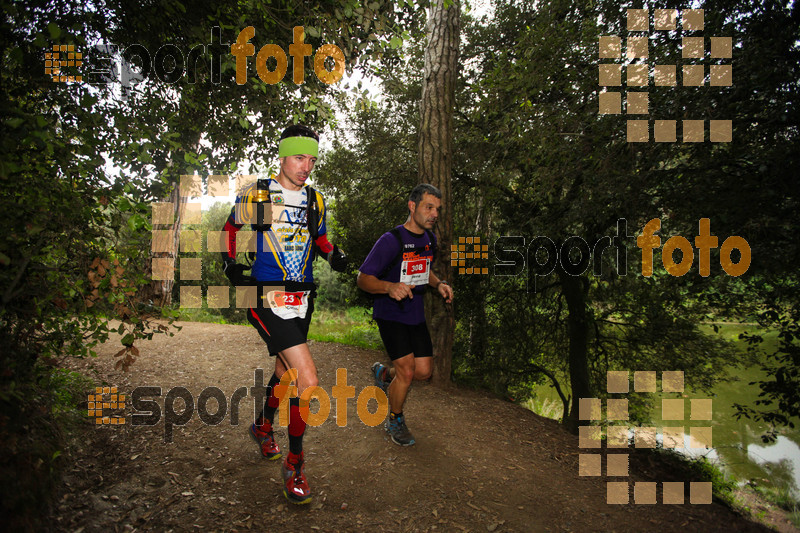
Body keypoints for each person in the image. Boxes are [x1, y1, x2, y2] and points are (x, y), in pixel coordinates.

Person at [220, 124, 347, 504]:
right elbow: (231, 227)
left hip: (300, 297)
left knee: (284, 371)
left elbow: (318, 236)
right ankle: (295, 464)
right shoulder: (259, 192)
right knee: (306, 379)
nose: (306, 166)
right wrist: (228, 261)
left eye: (311, 159)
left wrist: (331, 253)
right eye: (298, 157)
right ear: (282, 156)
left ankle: (261, 426)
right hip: (264, 294)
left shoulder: (314, 200)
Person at [356, 183, 454, 446]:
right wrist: (389, 287)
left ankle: (385, 375)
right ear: (412, 206)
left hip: (414, 313)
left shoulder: (429, 239)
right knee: (408, 373)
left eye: (437, 209)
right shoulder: (391, 240)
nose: (434, 214)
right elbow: (363, 279)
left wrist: (439, 284)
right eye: (428, 207)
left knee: (423, 371)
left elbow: (424, 270)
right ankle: (395, 419)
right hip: (390, 313)